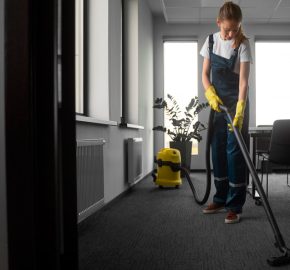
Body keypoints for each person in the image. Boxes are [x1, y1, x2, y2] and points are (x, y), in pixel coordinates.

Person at [200, 1, 252, 224]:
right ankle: (220, 198)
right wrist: (210, 93)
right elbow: (204, 74)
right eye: (227, 29)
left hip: (236, 105)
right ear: (218, 22)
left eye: (236, 28)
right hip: (217, 106)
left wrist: (239, 111)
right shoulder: (210, 41)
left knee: (235, 154)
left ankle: (235, 206)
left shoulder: (242, 45)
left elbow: (243, 82)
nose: (231, 33)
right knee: (217, 151)